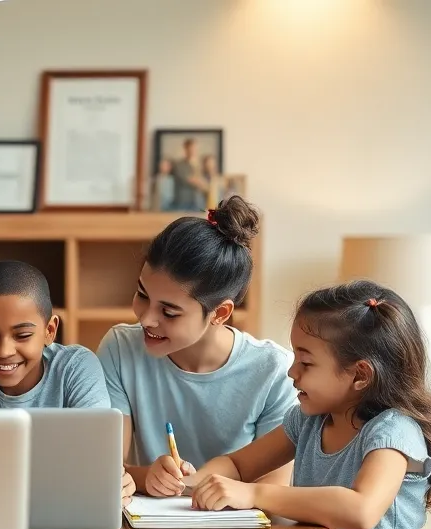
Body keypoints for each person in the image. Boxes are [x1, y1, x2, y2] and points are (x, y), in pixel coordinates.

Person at [187, 280, 431, 529]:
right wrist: (193, 480)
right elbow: (240, 466)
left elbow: (361, 510)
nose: (291, 372)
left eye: (306, 362)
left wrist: (253, 494)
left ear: (360, 374)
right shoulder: (307, 421)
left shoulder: (393, 432)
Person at [97, 196, 297, 499]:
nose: (146, 318)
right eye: (142, 294)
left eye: (169, 312)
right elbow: (108, 468)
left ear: (219, 314)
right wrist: (148, 476)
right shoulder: (120, 348)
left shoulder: (273, 370)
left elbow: (273, 490)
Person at [0, 260, 136, 509]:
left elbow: (98, 457)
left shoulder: (76, 367)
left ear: (50, 330)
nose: (4, 351)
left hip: (60, 513)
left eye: (22, 336)